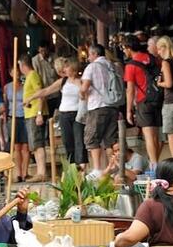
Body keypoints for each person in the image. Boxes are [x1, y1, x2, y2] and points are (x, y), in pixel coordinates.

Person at [26, 58, 88, 167]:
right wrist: (31, 97)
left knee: (79, 141)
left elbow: (86, 96)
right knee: (67, 141)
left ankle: (82, 166)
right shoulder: (63, 81)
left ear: (73, 69)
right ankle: (72, 167)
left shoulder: (81, 82)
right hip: (64, 114)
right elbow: (46, 91)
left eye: (67, 67)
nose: (64, 69)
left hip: (77, 114)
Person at [80, 44, 120, 180]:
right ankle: (114, 165)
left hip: (97, 106)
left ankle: (97, 169)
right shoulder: (113, 66)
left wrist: (81, 94)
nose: (89, 58)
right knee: (110, 139)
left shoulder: (92, 67)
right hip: (113, 105)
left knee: (92, 138)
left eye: (90, 55)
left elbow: (85, 87)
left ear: (94, 54)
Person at [123, 35, 163, 168]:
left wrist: (128, 110)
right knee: (156, 136)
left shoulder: (130, 65)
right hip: (157, 99)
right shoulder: (153, 59)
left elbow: (130, 90)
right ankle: (156, 163)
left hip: (143, 101)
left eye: (124, 48)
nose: (124, 51)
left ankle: (154, 166)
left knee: (149, 136)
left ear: (129, 48)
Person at [20, 53, 47, 182]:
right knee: (34, 144)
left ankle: (41, 172)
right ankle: (39, 171)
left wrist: (40, 113)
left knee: (37, 143)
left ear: (22, 65)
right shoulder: (28, 77)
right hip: (30, 114)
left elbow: (41, 94)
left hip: (35, 114)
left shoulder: (33, 75)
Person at [3, 67, 30, 182]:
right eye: (14, 72)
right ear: (11, 73)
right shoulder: (7, 87)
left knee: (26, 147)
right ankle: (18, 173)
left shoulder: (25, 86)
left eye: (18, 72)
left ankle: (25, 172)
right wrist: (4, 118)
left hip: (24, 117)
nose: (17, 74)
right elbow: (5, 104)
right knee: (16, 147)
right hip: (12, 118)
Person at [32, 41, 60, 118]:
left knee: (56, 116)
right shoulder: (35, 60)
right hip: (44, 93)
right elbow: (34, 75)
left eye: (45, 51)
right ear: (38, 50)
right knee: (47, 117)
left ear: (48, 49)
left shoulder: (54, 57)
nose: (43, 53)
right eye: (41, 51)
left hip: (55, 92)